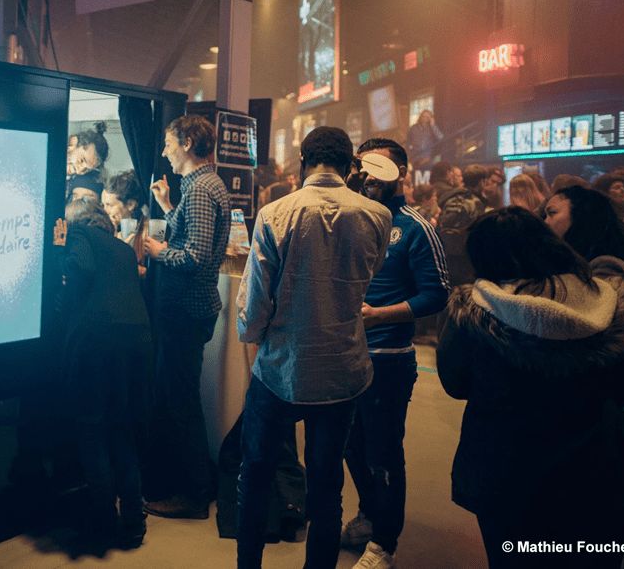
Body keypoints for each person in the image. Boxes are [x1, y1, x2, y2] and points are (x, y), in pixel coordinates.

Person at [436, 207, 624, 569]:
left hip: (507, 474)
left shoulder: (473, 312)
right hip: (597, 475)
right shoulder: (611, 304)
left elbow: (456, 383)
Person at [235, 126, 392, 569]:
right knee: (327, 489)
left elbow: (255, 305)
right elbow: (372, 273)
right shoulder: (378, 216)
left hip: (280, 368)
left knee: (256, 478)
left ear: (303, 163)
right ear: (349, 167)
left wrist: (254, 339)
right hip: (343, 369)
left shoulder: (274, 213)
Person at [341, 139, 449, 569]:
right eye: (364, 167)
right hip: (344, 355)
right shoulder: (349, 216)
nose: (370, 175)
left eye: (381, 167)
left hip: (389, 358)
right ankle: (371, 515)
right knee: (350, 446)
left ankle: (384, 544)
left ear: (402, 172)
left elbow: (437, 294)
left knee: (384, 453)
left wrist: (380, 314)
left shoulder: (416, 227)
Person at [141, 114, 230, 519]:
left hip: (184, 311)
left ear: (188, 143)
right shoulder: (201, 186)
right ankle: (190, 485)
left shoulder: (198, 190)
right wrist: (167, 208)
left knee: (181, 403)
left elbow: (194, 257)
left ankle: (193, 493)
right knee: (179, 399)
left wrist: (157, 251)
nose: (164, 151)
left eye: (168, 143)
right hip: (193, 310)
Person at [53, 199, 152, 547]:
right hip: (137, 343)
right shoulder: (124, 250)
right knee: (121, 428)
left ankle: (103, 519)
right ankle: (133, 519)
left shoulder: (77, 233)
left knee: (92, 428)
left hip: (97, 343)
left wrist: (59, 244)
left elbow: (80, 269)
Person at [544, 185, 624, 274]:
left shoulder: (606, 266)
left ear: (580, 216)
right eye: (545, 216)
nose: (545, 222)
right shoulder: (569, 259)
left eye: (552, 213)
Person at [436, 164, 489, 287]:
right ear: (481, 182)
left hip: (445, 256)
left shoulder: (450, 197)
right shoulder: (475, 202)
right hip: (465, 259)